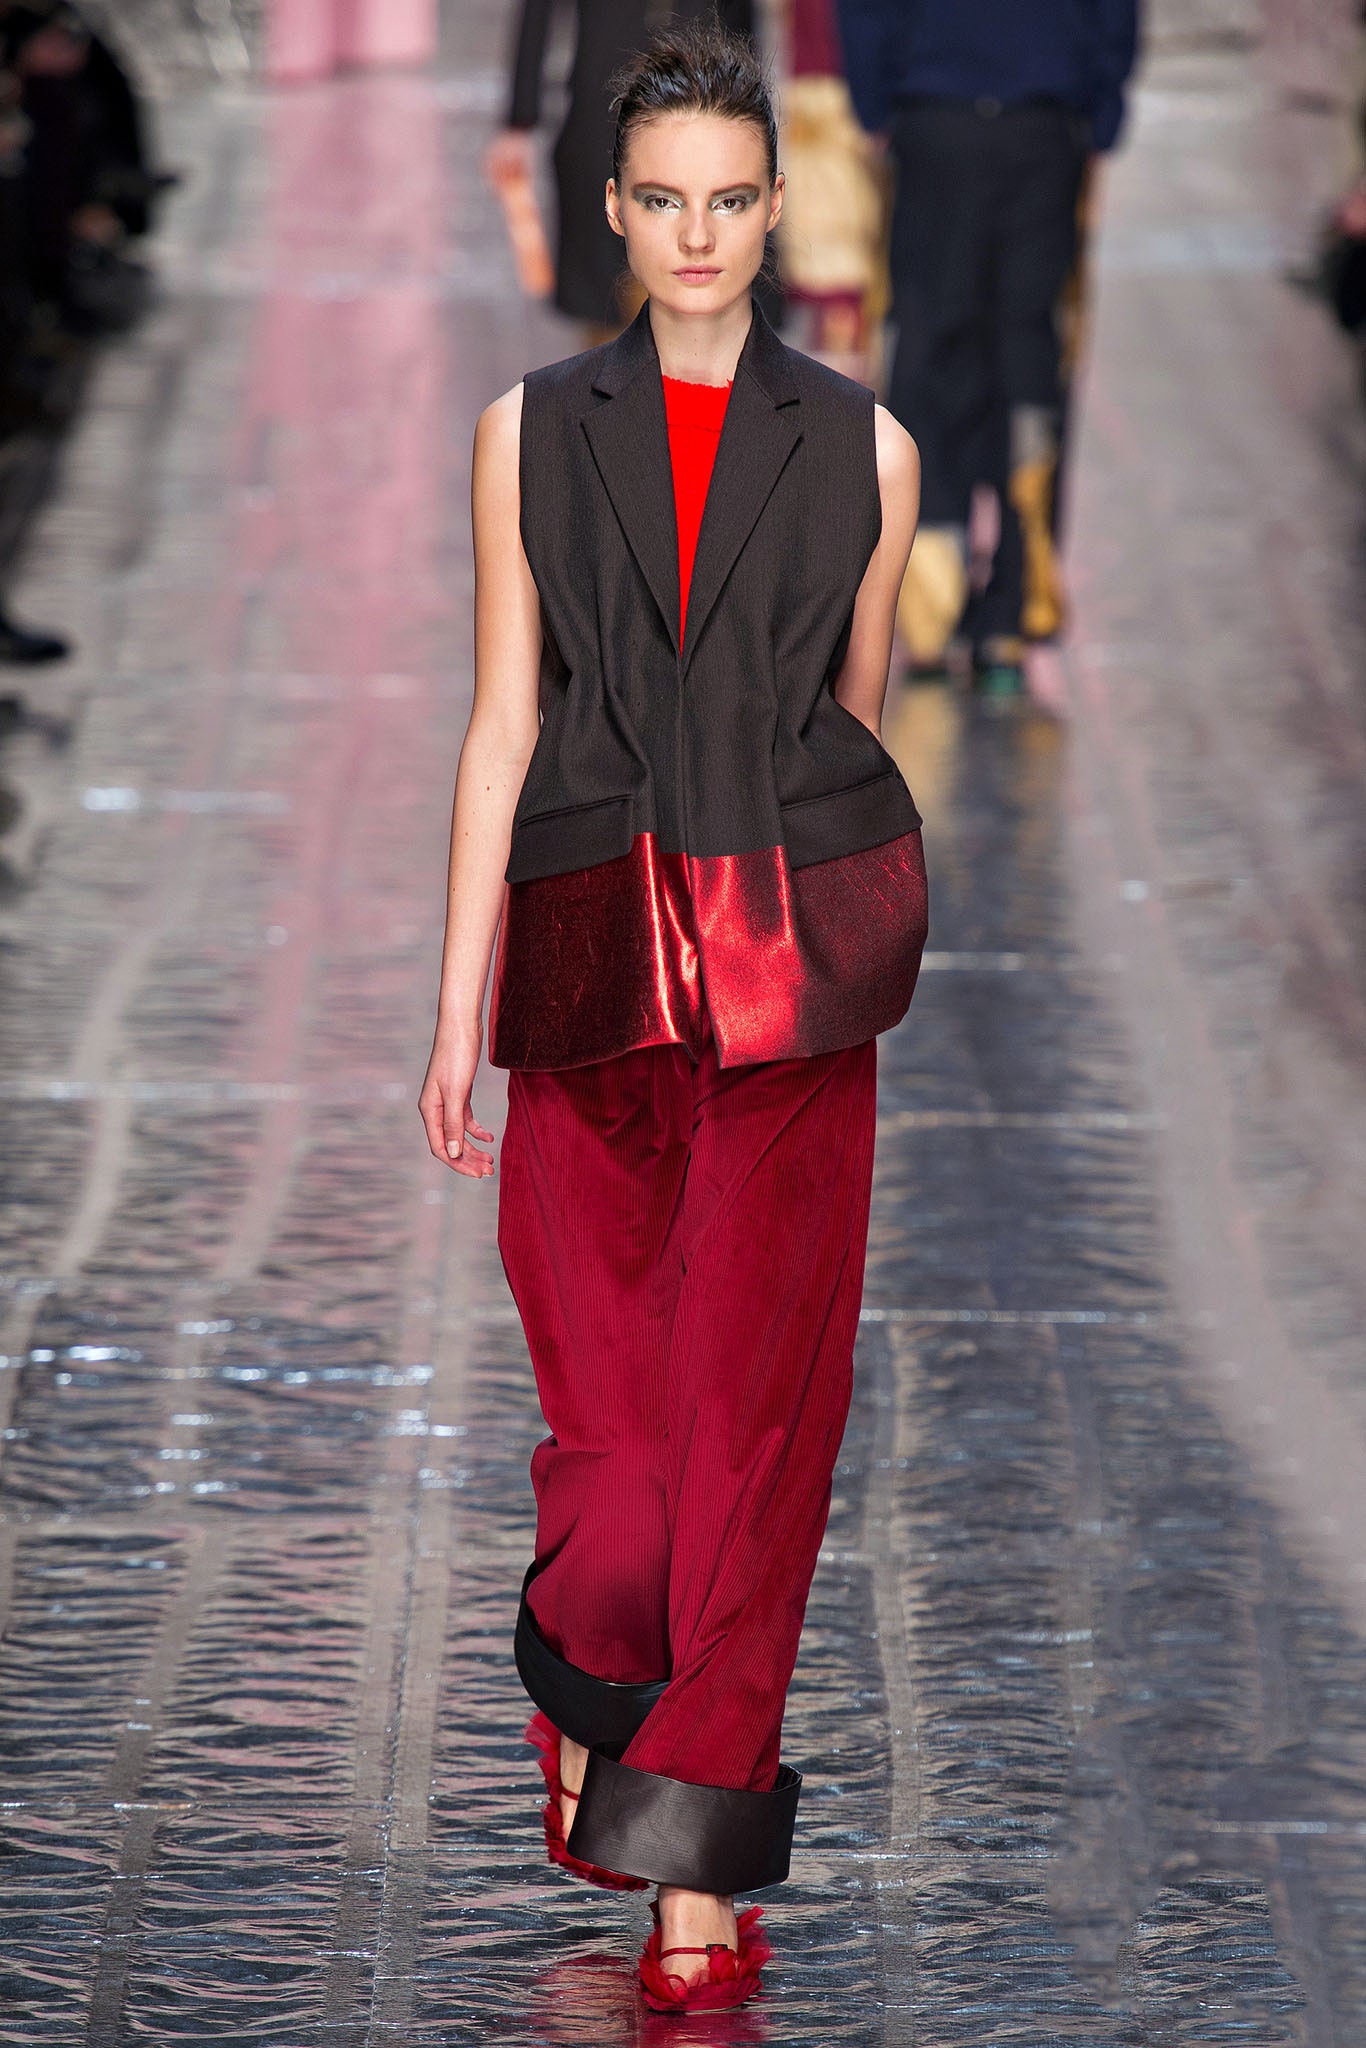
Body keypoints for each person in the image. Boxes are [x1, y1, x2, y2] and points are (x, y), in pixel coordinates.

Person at [420, 19, 928, 2014]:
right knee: (615, 1452)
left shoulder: (866, 450)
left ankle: (691, 1878)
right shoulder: (526, 430)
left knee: (751, 1429)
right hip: (582, 974)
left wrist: (845, 930)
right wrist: (451, 1008)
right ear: (615, 211)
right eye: (664, 201)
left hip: (789, 990)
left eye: (733, 198)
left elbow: (855, 728)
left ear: (775, 201)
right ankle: (585, 1671)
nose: (700, 233)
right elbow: (497, 724)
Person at [837, 0, 1139, 693]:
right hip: (1043, 113)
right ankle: (1013, 602)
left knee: (929, 353)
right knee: (1028, 360)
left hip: (935, 110)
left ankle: (932, 613)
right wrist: (1102, 103)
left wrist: (875, 102)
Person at [489, 0, 756, 338]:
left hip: (693, 98)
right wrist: (521, 118)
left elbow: (742, 20)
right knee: (605, 287)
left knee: (690, 267)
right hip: (607, 103)